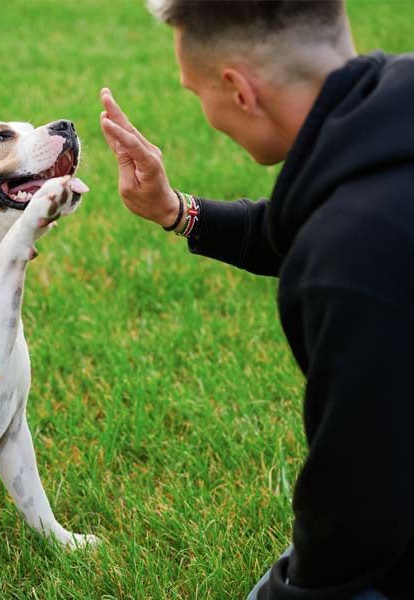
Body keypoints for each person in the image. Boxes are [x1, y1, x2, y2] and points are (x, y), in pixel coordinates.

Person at [99, 1, 414, 599]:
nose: (204, 109)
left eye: (196, 93)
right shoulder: (390, 132)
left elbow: (362, 511)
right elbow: (316, 219)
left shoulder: (351, 265)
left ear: (238, 90)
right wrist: (178, 212)